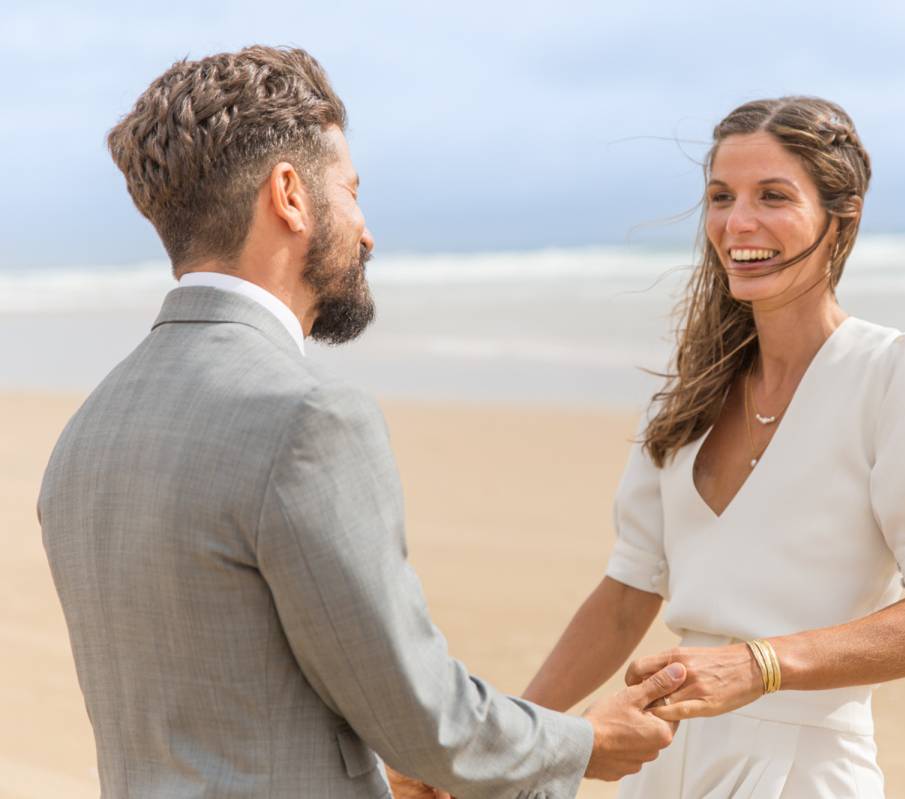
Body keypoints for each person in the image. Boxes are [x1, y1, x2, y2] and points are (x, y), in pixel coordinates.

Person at [37, 45, 684, 799]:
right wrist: (586, 741)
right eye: (350, 190)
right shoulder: (306, 419)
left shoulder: (87, 431)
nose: (367, 230)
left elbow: (225, 706)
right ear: (290, 195)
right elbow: (429, 719)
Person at [521, 97, 905, 797]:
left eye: (773, 196)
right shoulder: (687, 400)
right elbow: (624, 597)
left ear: (843, 214)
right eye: (720, 197)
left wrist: (757, 664)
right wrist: (509, 739)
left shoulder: (899, 371)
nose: (738, 222)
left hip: (805, 769)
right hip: (661, 765)